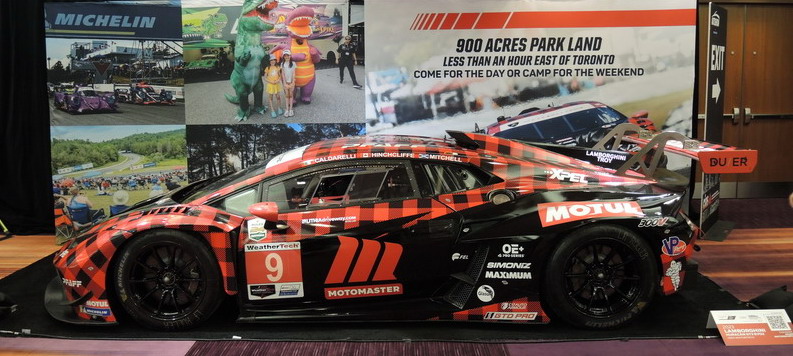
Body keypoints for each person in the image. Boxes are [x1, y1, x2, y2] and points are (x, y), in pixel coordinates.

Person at [281, 50, 296, 117]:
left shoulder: (293, 63)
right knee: (287, 96)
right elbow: (283, 74)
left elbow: (294, 73)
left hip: (291, 82)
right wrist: (284, 83)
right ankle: (287, 109)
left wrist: (293, 82)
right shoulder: (282, 64)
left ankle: (291, 109)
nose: (287, 57)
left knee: (291, 95)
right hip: (286, 83)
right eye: (285, 55)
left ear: (290, 56)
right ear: (283, 56)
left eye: (288, 55)